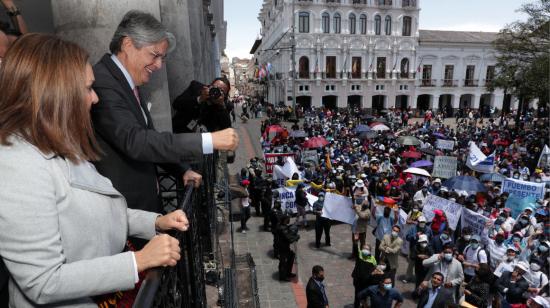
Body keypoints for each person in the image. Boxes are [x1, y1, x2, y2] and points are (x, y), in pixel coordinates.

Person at [0, 33, 188, 307]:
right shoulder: (16, 167)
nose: (96, 98)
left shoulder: (58, 142)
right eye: (88, 88)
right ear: (56, 94)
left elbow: (99, 210)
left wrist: (154, 222)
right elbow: (44, 282)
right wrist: (139, 261)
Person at [91, 11, 239, 217]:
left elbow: (149, 137)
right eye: (155, 55)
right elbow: (137, 141)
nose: (159, 65)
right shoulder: (103, 82)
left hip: (144, 209)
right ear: (127, 44)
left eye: (162, 58)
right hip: (124, 214)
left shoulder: (127, 81)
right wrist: (209, 140)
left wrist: (181, 170)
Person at [352, 244, 377, 308]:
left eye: (367, 249)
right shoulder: (359, 254)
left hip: (367, 282)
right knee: (357, 296)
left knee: (365, 297)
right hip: (358, 280)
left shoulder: (372, 259)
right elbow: (355, 249)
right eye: (364, 248)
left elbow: (374, 269)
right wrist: (356, 242)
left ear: (370, 251)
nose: (365, 250)